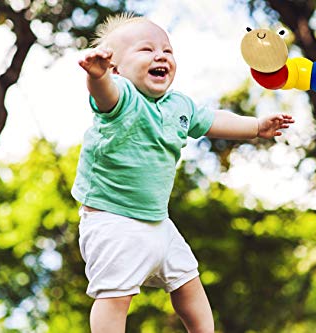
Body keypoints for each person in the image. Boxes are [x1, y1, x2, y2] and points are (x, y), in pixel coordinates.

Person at [72, 12, 294, 333]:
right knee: (115, 297)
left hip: (159, 223)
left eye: (167, 50)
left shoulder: (180, 106)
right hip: (113, 221)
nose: (161, 55)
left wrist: (256, 127)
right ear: (116, 68)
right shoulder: (123, 97)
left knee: (189, 282)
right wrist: (96, 77)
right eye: (146, 50)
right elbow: (105, 94)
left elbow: (214, 121)